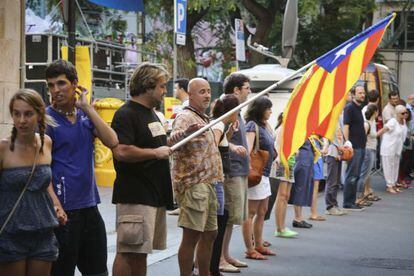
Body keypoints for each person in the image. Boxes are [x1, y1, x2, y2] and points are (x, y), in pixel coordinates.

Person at [45, 60, 119, 276]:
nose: (55, 90)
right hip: (64, 212)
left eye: (61, 83)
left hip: (90, 207)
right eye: (51, 85)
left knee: (97, 272)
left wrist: (87, 107)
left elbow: (112, 141)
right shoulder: (47, 120)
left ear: (75, 84)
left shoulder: (86, 116)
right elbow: (42, 169)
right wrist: (56, 205)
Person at [111, 63, 175, 276]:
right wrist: (156, 153)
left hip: (153, 194)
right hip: (135, 194)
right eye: (162, 86)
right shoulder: (126, 113)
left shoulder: (152, 113)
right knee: (129, 251)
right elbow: (121, 151)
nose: (165, 91)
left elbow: (155, 144)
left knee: (141, 252)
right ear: (148, 87)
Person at [0, 89, 66, 275]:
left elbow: (43, 184)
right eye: (16, 113)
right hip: (11, 234)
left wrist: (56, 206)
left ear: (39, 114)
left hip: (43, 232)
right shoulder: (3, 148)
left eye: (28, 113)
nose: (22, 120)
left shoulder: (46, 143)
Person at [170, 78, 223, 276]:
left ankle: (204, 273)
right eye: (202, 91)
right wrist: (182, 134)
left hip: (209, 184)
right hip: (194, 185)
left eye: (208, 91)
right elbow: (173, 139)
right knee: (191, 236)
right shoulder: (185, 116)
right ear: (190, 95)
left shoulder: (202, 117)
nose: (207, 95)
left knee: (210, 234)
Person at [219, 73, 250, 273]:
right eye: (247, 87)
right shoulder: (225, 107)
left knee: (233, 217)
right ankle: (220, 258)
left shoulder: (237, 110)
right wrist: (232, 147)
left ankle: (225, 254)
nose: (249, 91)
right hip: (231, 170)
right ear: (236, 89)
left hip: (240, 169)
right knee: (228, 216)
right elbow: (217, 134)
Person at [210, 94, 240, 276]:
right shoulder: (219, 124)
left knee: (217, 223)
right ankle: (212, 267)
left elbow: (220, 142)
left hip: (217, 180)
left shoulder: (221, 125)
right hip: (216, 181)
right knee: (216, 225)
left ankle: (211, 266)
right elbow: (213, 146)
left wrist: (229, 136)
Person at [242, 96, 276, 260]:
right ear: (260, 109)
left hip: (265, 173)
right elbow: (248, 149)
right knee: (251, 212)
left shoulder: (263, 125)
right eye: (268, 108)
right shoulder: (252, 125)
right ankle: (250, 248)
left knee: (262, 211)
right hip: (257, 173)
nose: (270, 111)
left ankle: (259, 244)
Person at [274, 113, 299, 237]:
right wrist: (279, 159)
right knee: (282, 196)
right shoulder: (283, 128)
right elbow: (277, 145)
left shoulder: (290, 129)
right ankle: (279, 228)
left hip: (290, 163)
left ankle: (282, 226)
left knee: (286, 196)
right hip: (283, 163)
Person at [342, 85, 366, 211]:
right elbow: (346, 126)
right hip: (354, 147)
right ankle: (347, 202)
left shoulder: (358, 108)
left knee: (356, 175)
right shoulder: (349, 108)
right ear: (353, 94)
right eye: (360, 93)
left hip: (361, 147)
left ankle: (352, 201)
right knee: (351, 175)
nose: (362, 95)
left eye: (363, 93)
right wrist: (347, 142)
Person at [377, 105, 408, 194]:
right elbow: (383, 130)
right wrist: (373, 136)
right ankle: (389, 185)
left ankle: (394, 184)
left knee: (395, 166)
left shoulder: (404, 121)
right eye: (403, 113)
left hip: (397, 149)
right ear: (397, 114)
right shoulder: (392, 121)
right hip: (388, 148)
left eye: (406, 112)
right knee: (388, 167)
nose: (405, 114)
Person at [356, 104, 380, 205]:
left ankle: (361, 197)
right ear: (375, 112)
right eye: (377, 111)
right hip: (368, 150)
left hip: (372, 149)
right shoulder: (367, 124)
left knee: (366, 174)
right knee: (363, 175)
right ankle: (358, 198)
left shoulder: (372, 122)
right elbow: (362, 137)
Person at [289, 138, 315, 229]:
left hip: (306, 158)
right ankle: (297, 218)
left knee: (303, 188)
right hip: (302, 158)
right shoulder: (299, 128)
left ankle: (299, 217)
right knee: (299, 188)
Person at [322, 124, 347, 216]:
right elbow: (327, 137)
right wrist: (338, 147)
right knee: (332, 181)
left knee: (336, 181)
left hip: (338, 153)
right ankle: (330, 207)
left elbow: (340, 137)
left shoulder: (338, 120)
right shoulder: (331, 120)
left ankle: (334, 205)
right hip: (332, 153)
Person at [309, 139, 326, 221]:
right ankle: (313, 213)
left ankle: (314, 212)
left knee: (315, 188)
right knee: (314, 189)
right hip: (314, 159)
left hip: (317, 158)